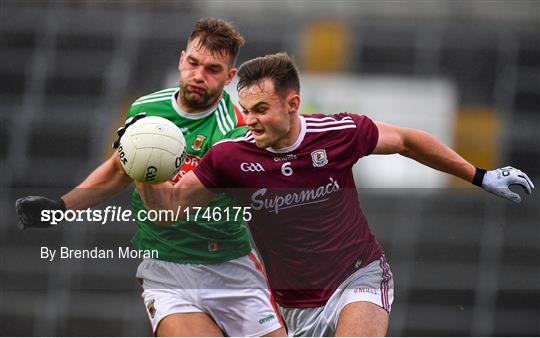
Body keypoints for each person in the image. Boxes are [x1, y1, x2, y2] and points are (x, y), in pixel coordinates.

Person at [133, 52, 535, 336]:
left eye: (260, 110)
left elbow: (409, 140)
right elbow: (169, 211)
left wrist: (480, 176)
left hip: (358, 274)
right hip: (295, 305)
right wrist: (143, 170)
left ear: (293, 104)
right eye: (246, 110)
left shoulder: (339, 132)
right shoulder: (229, 158)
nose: (250, 120)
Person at [15, 19, 285, 337]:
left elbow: (167, 211)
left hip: (230, 269)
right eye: (194, 64)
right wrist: (59, 207)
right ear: (181, 59)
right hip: (167, 272)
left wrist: (145, 159)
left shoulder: (237, 131)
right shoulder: (146, 108)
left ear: (229, 77)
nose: (198, 76)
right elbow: (118, 168)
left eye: (212, 70)